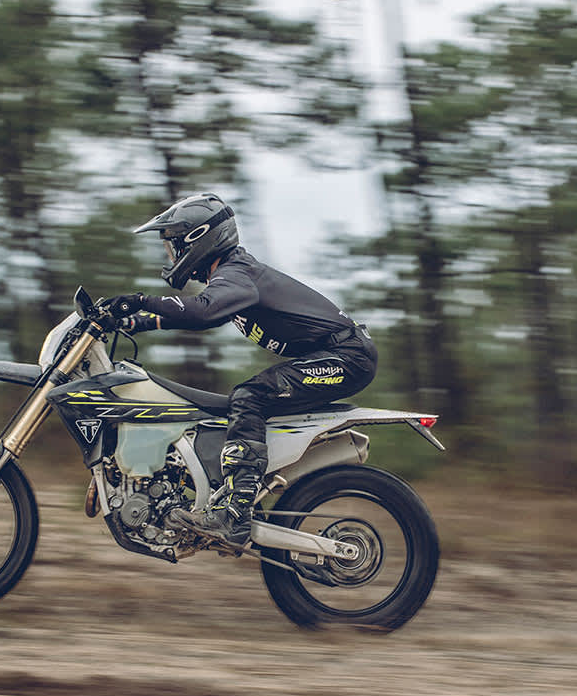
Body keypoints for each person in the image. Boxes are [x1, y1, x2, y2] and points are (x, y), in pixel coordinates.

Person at [101, 193, 377, 544]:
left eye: (173, 246)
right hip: (339, 355)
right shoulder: (234, 275)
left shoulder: (237, 272)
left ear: (199, 239)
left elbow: (202, 311)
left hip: (348, 357)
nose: (171, 256)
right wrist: (139, 322)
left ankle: (235, 515)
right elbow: (203, 314)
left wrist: (139, 301)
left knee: (250, 396)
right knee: (247, 397)